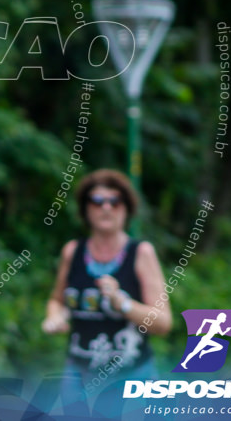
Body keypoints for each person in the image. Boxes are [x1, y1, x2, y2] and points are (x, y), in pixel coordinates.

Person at [42, 169, 172, 404]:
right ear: (85, 209)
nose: (106, 208)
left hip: (131, 378)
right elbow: (57, 300)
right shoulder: (73, 252)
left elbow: (163, 323)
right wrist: (54, 317)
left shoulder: (141, 253)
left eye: (115, 201)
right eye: (97, 201)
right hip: (77, 377)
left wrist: (122, 303)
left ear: (127, 209)